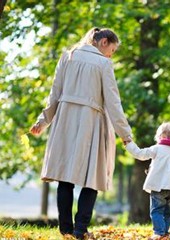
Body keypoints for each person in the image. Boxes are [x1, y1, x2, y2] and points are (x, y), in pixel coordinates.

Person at [30, 27, 132, 239]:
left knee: (64, 178)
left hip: (65, 122)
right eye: (112, 50)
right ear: (103, 42)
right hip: (91, 124)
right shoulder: (104, 64)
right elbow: (113, 103)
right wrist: (125, 134)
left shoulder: (67, 56)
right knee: (92, 178)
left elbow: (54, 94)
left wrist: (43, 121)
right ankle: (80, 230)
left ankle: (65, 229)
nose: (111, 55)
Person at [124, 122, 170, 240]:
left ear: (160, 136)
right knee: (168, 212)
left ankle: (159, 233)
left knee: (157, 211)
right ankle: (165, 233)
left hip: (159, 187)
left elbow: (140, 154)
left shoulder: (157, 149)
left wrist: (129, 144)